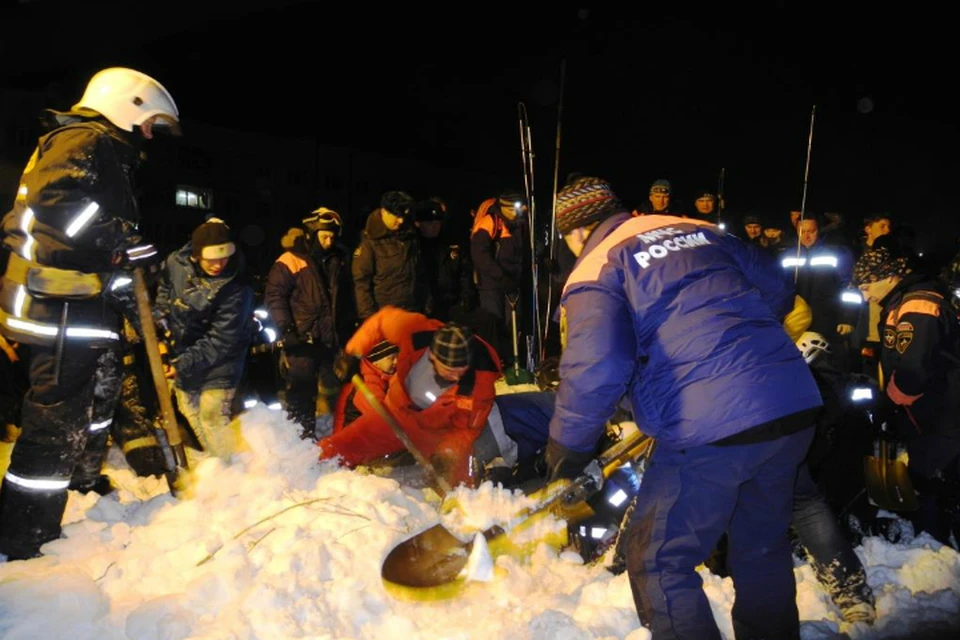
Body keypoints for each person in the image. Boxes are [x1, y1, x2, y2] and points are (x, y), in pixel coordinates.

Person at [544, 176, 822, 639]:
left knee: (658, 559)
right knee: (761, 547)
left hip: (709, 427)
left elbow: (597, 366)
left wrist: (565, 450)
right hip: (789, 405)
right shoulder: (695, 228)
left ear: (574, 232)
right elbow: (777, 291)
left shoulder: (596, 267)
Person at [0, 67, 179, 560]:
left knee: (93, 409)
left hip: (81, 309)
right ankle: (23, 534)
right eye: (149, 123)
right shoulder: (84, 138)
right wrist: (120, 238)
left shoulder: (105, 150)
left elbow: (99, 253)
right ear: (129, 104)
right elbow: (56, 202)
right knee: (55, 424)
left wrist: (131, 289)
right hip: (57, 308)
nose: (149, 135)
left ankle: (80, 484)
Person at [317, 306, 501, 488]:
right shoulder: (416, 331)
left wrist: (447, 454)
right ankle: (310, 468)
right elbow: (381, 321)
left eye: (461, 371)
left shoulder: (479, 385)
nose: (456, 377)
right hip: (395, 415)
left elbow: (466, 430)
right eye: (450, 371)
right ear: (433, 356)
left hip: (436, 435)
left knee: (456, 485)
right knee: (343, 445)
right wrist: (353, 353)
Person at [854, 244, 960, 547]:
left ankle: (936, 541)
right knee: (930, 471)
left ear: (888, 276)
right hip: (928, 409)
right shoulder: (900, 302)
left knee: (933, 475)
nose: (865, 296)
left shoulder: (917, 306)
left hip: (941, 408)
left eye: (866, 286)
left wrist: (892, 400)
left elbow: (915, 365)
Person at [155, 218, 255, 460]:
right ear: (197, 253)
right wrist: (160, 320)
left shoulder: (237, 287)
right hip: (183, 349)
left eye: (224, 257)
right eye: (212, 258)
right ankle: (217, 460)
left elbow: (221, 339)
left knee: (211, 414)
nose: (219, 264)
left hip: (223, 358)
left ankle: (232, 469)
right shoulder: (175, 263)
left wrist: (180, 365)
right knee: (187, 406)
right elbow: (164, 288)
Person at [265, 207, 353, 438]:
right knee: (301, 394)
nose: (329, 241)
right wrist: (287, 329)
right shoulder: (291, 259)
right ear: (311, 234)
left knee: (336, 392)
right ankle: (300, 443)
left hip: (330, 338)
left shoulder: (340, 259)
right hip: (301, 338)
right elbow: (275, 297)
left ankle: (336, 439)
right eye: (324, 235)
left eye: (333, 236)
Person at [352, 190, 428, 321]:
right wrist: (370, 318)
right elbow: (362, 283)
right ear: (384, 212)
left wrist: (426, 304)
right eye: (397, 215)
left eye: (404, 215)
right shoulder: (370, 243)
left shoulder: (410, 237)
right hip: (384, 316)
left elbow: (420, 274)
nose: (401, 220)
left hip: (411, 312)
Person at [332, 339, 399, 434]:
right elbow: (383, 417)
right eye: (391, 358)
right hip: (352, 439)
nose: (396, 361)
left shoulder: (387, 376)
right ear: (376, 361)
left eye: (397, 357)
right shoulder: (365, 384)